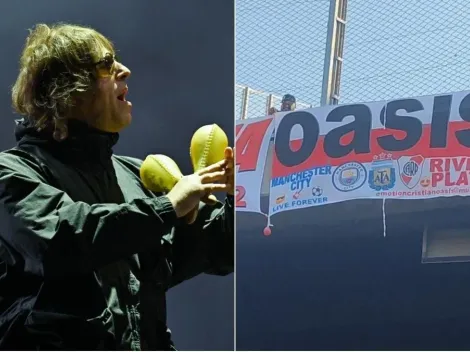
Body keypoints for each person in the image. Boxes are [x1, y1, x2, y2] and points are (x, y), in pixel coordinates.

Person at [0, 23, 234, 351]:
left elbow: (218, 251)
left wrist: (241, 195)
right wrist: (169, 206)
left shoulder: (136, 177)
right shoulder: (11, 174)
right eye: (107, 64)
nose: (125, 70)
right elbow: (65, 240)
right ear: (67, 89)